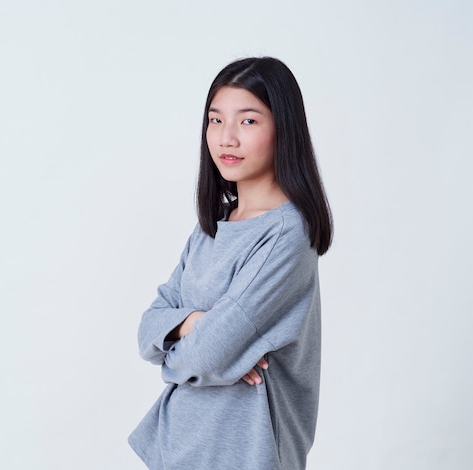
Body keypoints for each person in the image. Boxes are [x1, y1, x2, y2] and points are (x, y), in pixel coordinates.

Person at [128, 56, 333, 470]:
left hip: (244, 456)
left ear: (283, 129)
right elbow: (148, 328)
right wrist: (195, 324)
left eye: (249, 121)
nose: (227, 138)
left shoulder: (286, 235)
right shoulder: (213, 226)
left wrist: (191, 345)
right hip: (176, 446)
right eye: (216, 120)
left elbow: (206, 357)